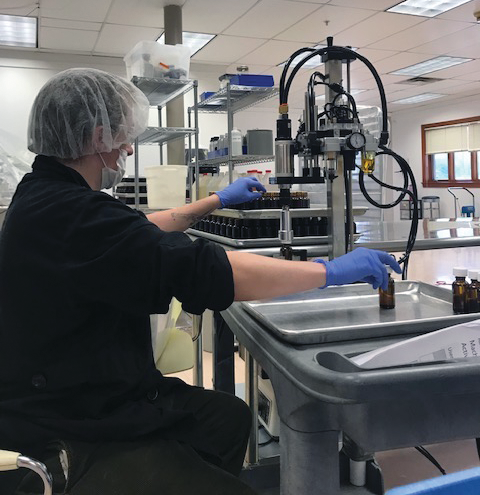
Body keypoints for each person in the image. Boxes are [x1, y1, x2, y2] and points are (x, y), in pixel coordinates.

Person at [0, 68, 400, 495]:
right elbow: (208, 271)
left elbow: (138, 229)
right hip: (73, 426)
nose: (127, 148)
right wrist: (329, 272)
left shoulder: (44, 195)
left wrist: (216, 200)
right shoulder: (71, 212)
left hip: (83, 389)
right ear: (98, 138)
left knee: (226, 419)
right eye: (121, 137)